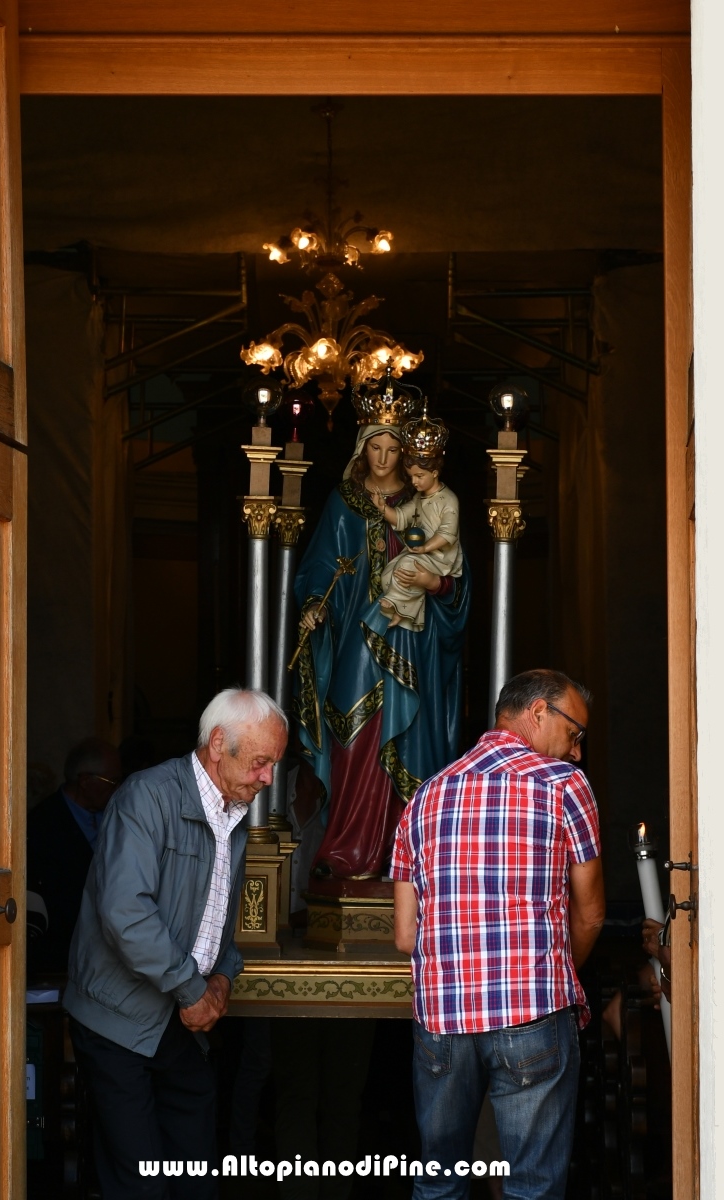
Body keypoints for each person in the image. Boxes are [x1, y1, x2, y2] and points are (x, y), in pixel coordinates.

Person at [63, 688, 288, 1200]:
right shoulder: (147, 796)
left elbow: (226, 925)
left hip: (176, 1017)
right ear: (216, 745)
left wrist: (224, 977)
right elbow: (126, 914)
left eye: (273, 764)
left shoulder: (234, 816)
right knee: (139, 1181)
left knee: (196, 1172)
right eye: (260, 762)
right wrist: (193, 989)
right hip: (117, 1014)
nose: (268, 778)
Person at [391, 669, 605, 1199]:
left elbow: (403, 936)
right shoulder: (563, 785)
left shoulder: (425, 797)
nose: (576, 752)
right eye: (575, 733)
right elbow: (592, 913)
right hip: (531, 1013)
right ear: (538, 712)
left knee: (439, 1183)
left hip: (441, 1021)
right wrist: (547, 975)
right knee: (531, 1186)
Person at [294, 402, 470, 882]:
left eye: (395, 448)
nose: (385, 457)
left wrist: (437, 587)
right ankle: (348, 845)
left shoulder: (431, 503)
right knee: (352, 735)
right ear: (361, 446)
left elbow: (457, 576)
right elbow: (319, 567)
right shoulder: (343, 501)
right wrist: (316, 603)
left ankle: (404, 858)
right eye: (376, 446)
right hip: (358, 632)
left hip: (415, 642)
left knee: (411, 737)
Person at [26, 737, 122, 976]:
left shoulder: (115, 815)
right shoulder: (42, 825)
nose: (117, 788)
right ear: (86, 781)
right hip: (63, 958)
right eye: (111, 781)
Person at [374, 448, 463, 631]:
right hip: (419, 553)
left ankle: (398, 606)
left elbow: (448, 533)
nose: (414, 481)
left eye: (419, 476)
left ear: (435, 473)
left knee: (406, 565)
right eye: (411, 476)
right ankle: (404, 611)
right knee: (388, 573)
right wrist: (383, 508)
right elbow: (400, 517)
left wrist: (425, 548)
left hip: (439, 557)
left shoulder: (449, 499)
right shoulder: (418, 498)